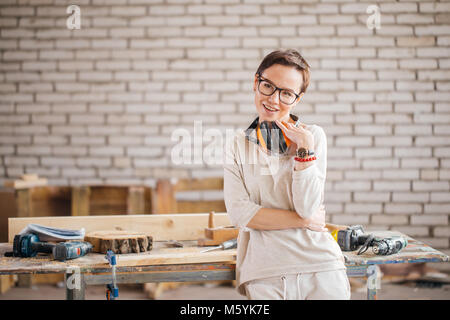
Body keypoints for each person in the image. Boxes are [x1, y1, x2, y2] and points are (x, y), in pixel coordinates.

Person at [223, 49, 350, 300]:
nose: (274, 99)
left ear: (297, 99)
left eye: (286, 93)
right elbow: (240, 214)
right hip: (265, 272)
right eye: (268, 86)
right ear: (255, 83)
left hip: (321, 267)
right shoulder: (237, 145)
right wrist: (304, 222)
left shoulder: (312, 137)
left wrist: (304, 152)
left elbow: (307, 206)